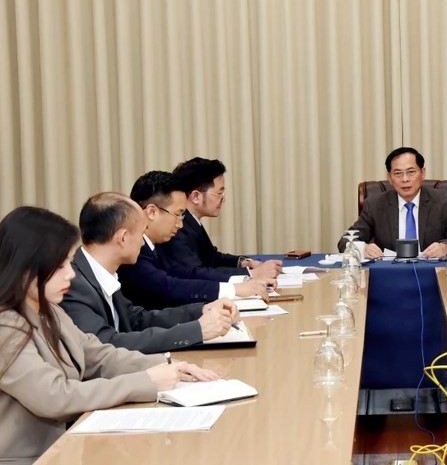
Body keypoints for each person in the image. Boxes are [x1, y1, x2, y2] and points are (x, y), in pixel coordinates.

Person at [0, 206, 218, 463]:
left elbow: (99, 355)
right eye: (60, 266)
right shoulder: (7, 327)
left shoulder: (50, 311)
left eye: (70, 263)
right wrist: (145, 382)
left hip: (67, 447)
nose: (71, 274)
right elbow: (55, 396)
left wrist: (168, 365)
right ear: (25, 267)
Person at [60, 192, 241, 353]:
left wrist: (201, 310)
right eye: (141, 233)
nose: (142, 243)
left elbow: (137, 320)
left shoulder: (99, 272)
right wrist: (197, 330)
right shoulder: (73, 283)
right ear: (122, 238)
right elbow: (107, 344)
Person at [118, 171, 275, 309]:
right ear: (152, 212)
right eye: (178, 214)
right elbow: (168, 286)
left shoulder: (155, 246)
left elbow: (184, 274)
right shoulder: (132, 252)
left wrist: (241, 282)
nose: (180, 224)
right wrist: (234, 289)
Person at [160, 157, 281, 282]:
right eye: (219, 193)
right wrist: (251, 274)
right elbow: (195, 273)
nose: (223, 199)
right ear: (196, 196)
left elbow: (211, 257)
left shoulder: (192, 221)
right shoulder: (177, 226)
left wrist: (243, 263)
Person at [337, 147, 447, 259]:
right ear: (389, 178)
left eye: (411, 172)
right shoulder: (375, 204)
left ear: (422, 173)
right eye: (398, 173)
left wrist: (445, 247)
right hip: (390, 274)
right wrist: (363, 248)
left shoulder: (443, 200)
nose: (405, 179)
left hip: (433, 272)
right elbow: (345, 241)